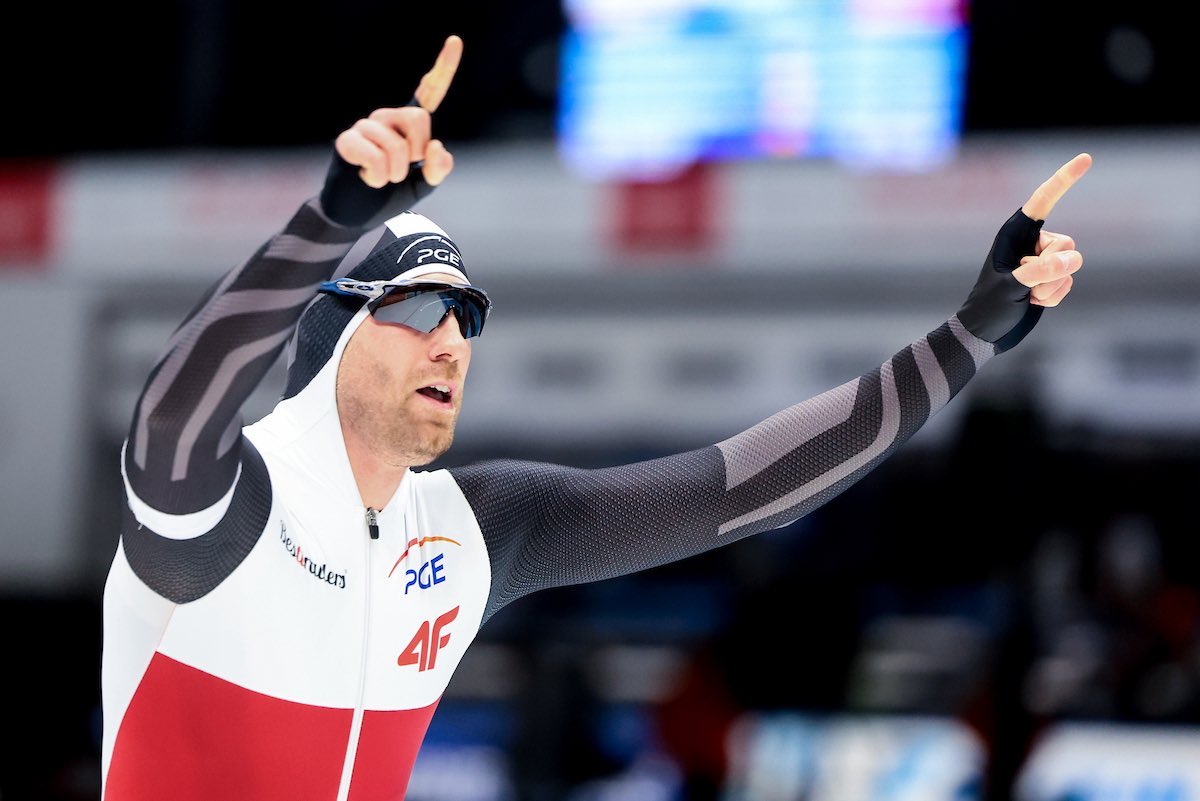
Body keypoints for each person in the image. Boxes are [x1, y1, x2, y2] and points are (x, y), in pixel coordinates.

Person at [99, 34, 1091, 801]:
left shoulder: (473, 533)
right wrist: (330, 220)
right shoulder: (223, 506)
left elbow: (740, 488)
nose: (450, 342)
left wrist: (966, 338)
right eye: (418, 308)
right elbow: (175, 411)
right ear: (328, 330)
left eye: (466, 317)